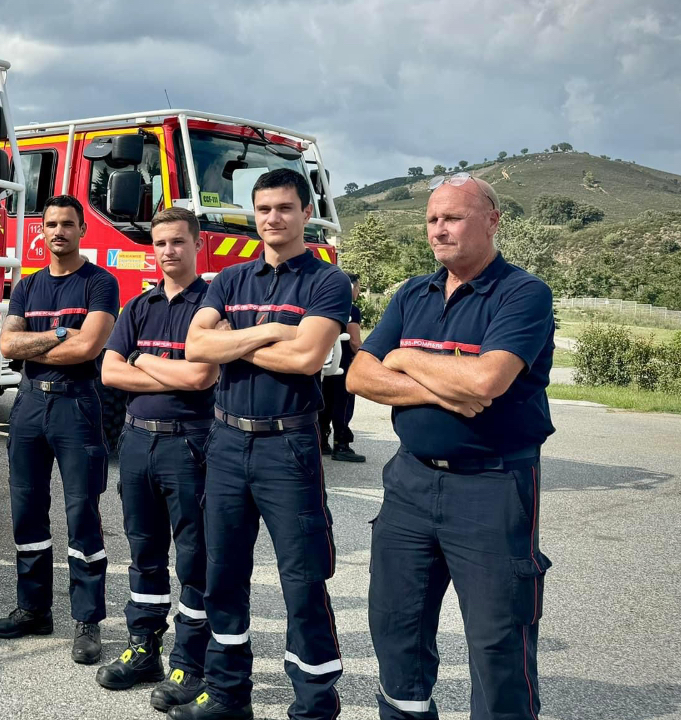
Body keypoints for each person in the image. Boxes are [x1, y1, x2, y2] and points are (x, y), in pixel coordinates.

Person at [346, 173, 555, 720]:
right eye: (433, 219)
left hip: (492, 486)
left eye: (453, 218)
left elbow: (486, 381)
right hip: (409, 482)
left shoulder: (522, 293)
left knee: (497, 639)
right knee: (396, 625)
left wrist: (404, 358)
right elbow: (359, 376)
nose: (439, 229)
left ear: (492, 221)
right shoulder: (413, 293)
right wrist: (445, 386)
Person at [178, 169, 352, 720]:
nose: (272, 218)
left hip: (288, 446)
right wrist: (274, 330)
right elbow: (195, 346)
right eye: (263, 209)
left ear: (305, 213)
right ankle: (228, 693)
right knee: (223, 573)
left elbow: (306, 359)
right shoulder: (229, 279)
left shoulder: (328, 282)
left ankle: (314, 704)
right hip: (226, 442)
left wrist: (232, 342)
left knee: (303, 578)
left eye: (284, 208)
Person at [95, 207, 218, 712]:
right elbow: (109, 372)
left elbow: (201, 378)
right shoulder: (139, 305)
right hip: (137, 443)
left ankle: (189, 661)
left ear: (197, 245)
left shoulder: (212, 305)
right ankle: (143, 647)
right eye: (161, 242)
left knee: (194, 557)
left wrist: (142, 360)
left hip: (188, 445)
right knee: (144, 551)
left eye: (178, 241)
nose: (169, 250)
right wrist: (168, 370)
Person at [0, 194, 118, 665]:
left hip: (76, 404)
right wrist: (61, 334)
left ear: (82, 229)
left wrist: (37, 344)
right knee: (26, 508)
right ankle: (33, 608)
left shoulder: (100, 283)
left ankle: (87, 620)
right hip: (28, 404)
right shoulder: (27, 285)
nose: (58, 231)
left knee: (82, 511)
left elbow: (88, 349)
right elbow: (7, 344)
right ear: (41, 231)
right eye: (50, 224)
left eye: (67, 223)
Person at [319, 273, 365, 462]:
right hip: (343, 363)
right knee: (343, 404)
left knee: (325, 402)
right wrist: (365, 358)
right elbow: (354, 341)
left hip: (324, 361)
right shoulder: (351, 309)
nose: (359, 291)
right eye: (358, 287)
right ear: (350, 287)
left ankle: (322, 441)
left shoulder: (325, 305)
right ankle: (342, 445)